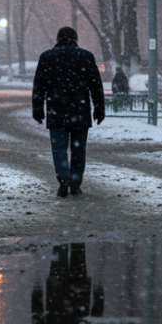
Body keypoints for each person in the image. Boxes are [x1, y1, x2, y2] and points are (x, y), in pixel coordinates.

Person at [32, 27, 106, 197]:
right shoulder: (86, 57)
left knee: (59, 149)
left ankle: (63, 178)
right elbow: (96, 86)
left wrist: (38, 109)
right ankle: (75, 181)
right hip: (80, 112)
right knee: (78, 149)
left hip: (56, 111)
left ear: (58, 39)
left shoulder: (47, 57)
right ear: (75, 40)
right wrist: (99, 109)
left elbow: (39, 86)